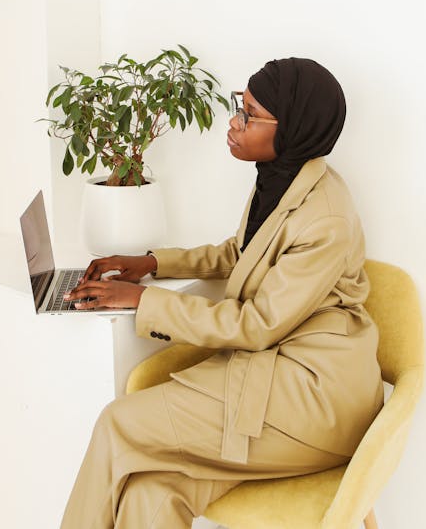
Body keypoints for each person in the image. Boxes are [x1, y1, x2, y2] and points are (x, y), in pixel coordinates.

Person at [60, 57, 385, 529]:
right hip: (275, 374)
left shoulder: (326, 217)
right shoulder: (281, 178)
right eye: (241, 106)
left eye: (250, 115)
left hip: (317, 398)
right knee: (151, 490)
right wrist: (152, 263)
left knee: (118, 424)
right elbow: (241, 253)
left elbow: (256, 325)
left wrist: (142, 302)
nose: (234, 122)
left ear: (292, 127)